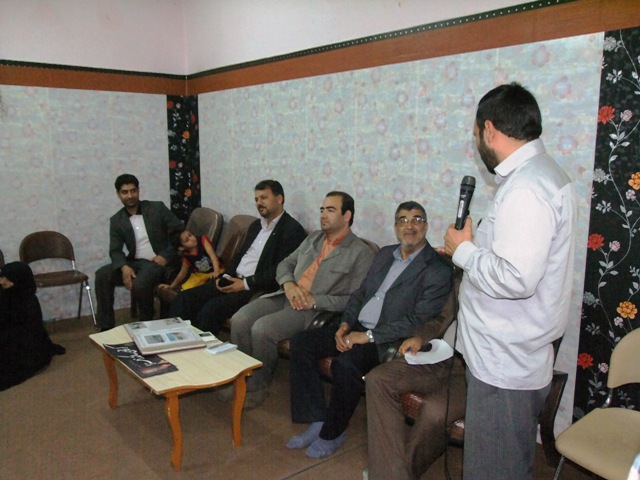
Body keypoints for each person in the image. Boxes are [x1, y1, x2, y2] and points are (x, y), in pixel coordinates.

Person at [443, 82, 577, 479]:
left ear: (489, 130)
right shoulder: (541, 174)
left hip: (504, 364)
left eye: (476, 135)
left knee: (493, 470)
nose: (477, 143)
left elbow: (517, 278)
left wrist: (463, 251)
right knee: (507, 465)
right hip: (511, 356)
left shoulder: (527, 188)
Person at [286, 201, 453, 459]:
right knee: (301, 342)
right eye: (403, 220)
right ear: (395, 227)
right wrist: (344, 324)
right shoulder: (385, 254)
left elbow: (418, 319)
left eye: (416, 220)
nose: (409, 226)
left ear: (426, 226)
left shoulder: (437, 269)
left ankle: (333, 432)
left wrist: (365, 337)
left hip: (386, 339)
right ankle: (317, 418)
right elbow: (360, 293)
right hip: (357, 326)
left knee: (346, 364)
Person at [227, 191, 375, 408]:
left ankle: (259, 385)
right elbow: (285, 264)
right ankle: (240, 377)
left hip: (310, 310)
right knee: (240, 319)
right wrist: (288, 284)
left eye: (330, 210)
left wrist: (315, 301)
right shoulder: (314, 238)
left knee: (262, 329)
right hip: (285, 294)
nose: (323, 215)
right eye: (322, 209)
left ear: (347, 216)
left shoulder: (360, 253)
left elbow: (354, 301)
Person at [169, 179, 306, 333]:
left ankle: (202, 348)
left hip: (254, 287)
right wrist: (226, 275)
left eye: (264, 198)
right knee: (185, 298)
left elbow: (280, 269)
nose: (259, 203)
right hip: (232, 279)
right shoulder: (256, 226)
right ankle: (173, 340)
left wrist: (245, 283)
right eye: (256, 199)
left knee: (210, 310)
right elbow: (239, 255)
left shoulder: (291, 230)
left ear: (279, 199)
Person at [365, 304, 466, 479]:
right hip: (440, 356)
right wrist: (420, 337)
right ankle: (389, 473)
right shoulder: (463, 286)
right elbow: (442, 318)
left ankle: (396, 475)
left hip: (474, 374)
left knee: (435, 410)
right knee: (379, 379)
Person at [95, 174, 184, 331]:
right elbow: (115, 250)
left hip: (157, 261)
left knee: (141, 283)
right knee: (102, 275)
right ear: (118, 194)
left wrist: (166, 255)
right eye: (125, 192)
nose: (130, 195)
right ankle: (106, 326)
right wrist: (124, 267)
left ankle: (147, 321)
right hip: (135, 262)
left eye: (133, 191)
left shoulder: (157, 208)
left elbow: (179, 232)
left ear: (138, 190)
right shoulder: (117, 220)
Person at [0, 262, 66, 391]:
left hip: (22, 344)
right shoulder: (4, 296)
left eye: (6, 279)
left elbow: (28, 332)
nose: (2, 282)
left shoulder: (29, 302)